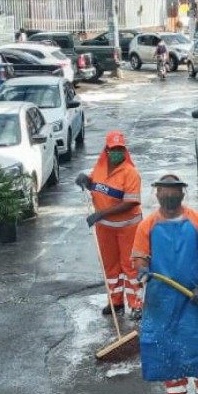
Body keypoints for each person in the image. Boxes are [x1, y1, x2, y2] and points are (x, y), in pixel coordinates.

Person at [132, 175, 198, 394]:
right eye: (164, 191)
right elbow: (140, 256)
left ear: (183, 194)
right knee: (167, 346)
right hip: (161, 299)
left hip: (194, 296)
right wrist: (142, 269)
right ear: (157, 194)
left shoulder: (197, 221)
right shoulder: (148, 225)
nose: (169, 196)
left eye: (174, 191)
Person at [76, 131, 144, 319]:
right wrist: (86, 181)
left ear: (124, 150)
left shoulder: (131, 172)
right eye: (113, 149)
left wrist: (101, 213)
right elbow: (98, 187)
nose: (117, 152)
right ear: (106, 150)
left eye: (120, 149)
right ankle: (116, 302)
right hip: (105, 228)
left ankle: (136, 303)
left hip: (128, 228)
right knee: (111, 267)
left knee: (130, 266)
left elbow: (131, 202)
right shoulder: (99, 168)